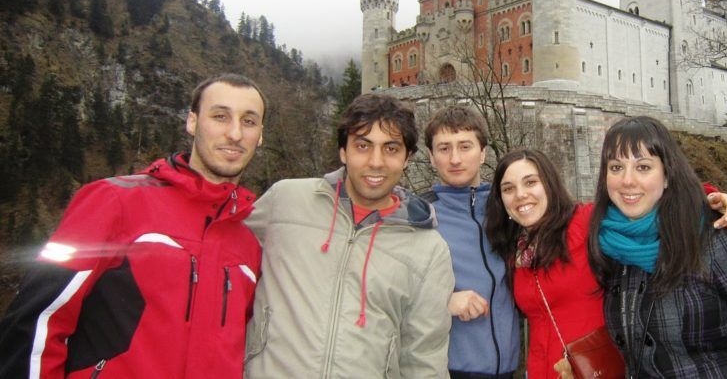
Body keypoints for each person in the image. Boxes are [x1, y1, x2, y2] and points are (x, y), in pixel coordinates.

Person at [0, 73, 266, 378]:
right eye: (220, 116)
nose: (234, 133)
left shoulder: (248, 245)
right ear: (192, 122)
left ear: (260, 135)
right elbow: (38, 321)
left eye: (248, 121)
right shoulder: (113, 200)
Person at [244, 93, 454, 378]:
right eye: (363, 146)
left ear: (407, 158)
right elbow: (221, 258)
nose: (376, 162)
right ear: (344, 151)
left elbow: (425, 358)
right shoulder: (285, 201)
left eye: (391, 148)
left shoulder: (428, 249)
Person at [484, 146, 727, 379]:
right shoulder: (515, 251)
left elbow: (645, 208)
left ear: (549, 185)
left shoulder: (586, 222)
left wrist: (708, 198)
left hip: (596, 370)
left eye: (531, 183)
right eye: (508, 189)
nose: (520, 195)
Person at [588, 116, 727, 378]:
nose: (627, 180)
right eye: (615, 167)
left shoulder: (716, 235)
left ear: (667, 175)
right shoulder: (614, 245)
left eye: (643, 167)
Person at [423, 106, 519, 379]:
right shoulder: (419, 217)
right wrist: (443, 302)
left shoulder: (509, 210)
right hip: (447, 370)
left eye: (465, 146)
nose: (455, 159)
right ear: (431, 157)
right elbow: (387, 294)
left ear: (483, 153)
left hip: (507, 370)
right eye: (444, 149)